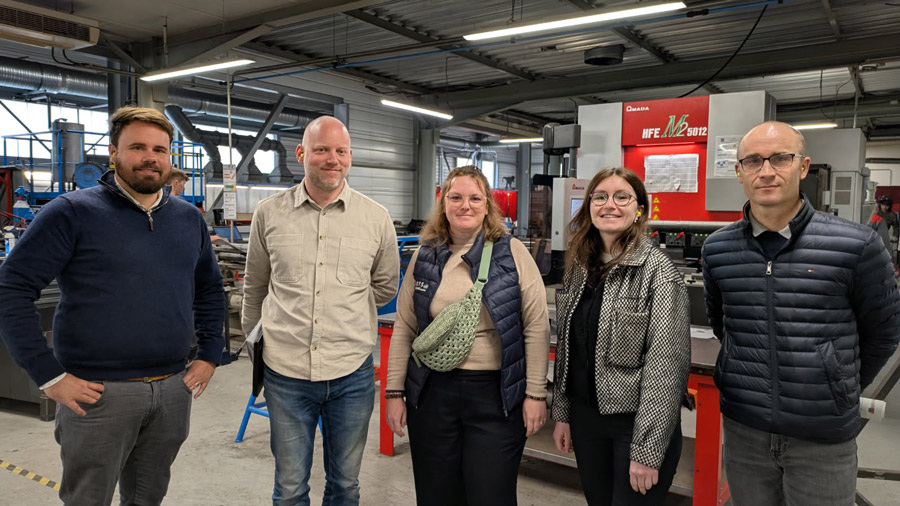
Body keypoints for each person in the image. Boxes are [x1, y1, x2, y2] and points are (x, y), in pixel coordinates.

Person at [0, 106, 226, 505]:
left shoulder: (188, 219)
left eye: (160, 149)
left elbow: (208, 288)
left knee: (147, 497)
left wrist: (209, 354)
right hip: (99, 393)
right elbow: (12, 287)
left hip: (173, 389)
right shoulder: (72, 212)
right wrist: (48, 374)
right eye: (137, 147)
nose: (150, 157)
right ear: (114, 152)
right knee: (89, 498)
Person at [702, 121, 900, 506]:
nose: (767, 171)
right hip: (746, 429)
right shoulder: (718, 250)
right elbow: (722, 324)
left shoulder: (856, 245)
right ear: (740, 171)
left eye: (780, 158)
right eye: (754, 161)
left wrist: (836, 384)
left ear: (803, 166)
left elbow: (884, 332)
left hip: (822, 435)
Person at [241, 115, 400, 506]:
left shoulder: (376, 218)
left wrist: (343, 311)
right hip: (286, 374)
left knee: (345, 485)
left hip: (351, 374)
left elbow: (384, 287)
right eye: (322, 150)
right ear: (301, 154)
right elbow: (255, 287)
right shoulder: (269, 213)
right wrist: (256, 347)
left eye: (341, 151)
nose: (333, 159)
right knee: (290, 487)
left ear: (350, 156)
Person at [384, 166, 550, 506]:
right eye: (456, 197)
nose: (465, 205)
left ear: (487, 205)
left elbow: (536, 327)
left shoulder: (513, 253)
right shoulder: (424, 255)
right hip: (432, 394)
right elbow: (405, 325)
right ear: (443, 203)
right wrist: (394, 392)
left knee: (491, 494)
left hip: (495, 398)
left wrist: (535, 394)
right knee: (436, 494)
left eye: (475, 198)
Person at [550, 167, 691, 505]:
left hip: (633, 425)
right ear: (589, 207)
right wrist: (563, 415)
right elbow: (570, 353)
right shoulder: (578, 269)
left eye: (622, 197)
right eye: (600, 197)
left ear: (639, 208)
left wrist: (647, 449)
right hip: (586, 421)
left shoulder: (658, 272)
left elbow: (666, 367)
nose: (609, 205)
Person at [869, 194, 899, 263]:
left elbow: (896, 227)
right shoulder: (876, 214)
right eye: (883, 205)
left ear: (890, 206)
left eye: (887, 206)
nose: (884, 207)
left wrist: (895, 236)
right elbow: (871, 226)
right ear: (880, 205)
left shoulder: (892, 215)